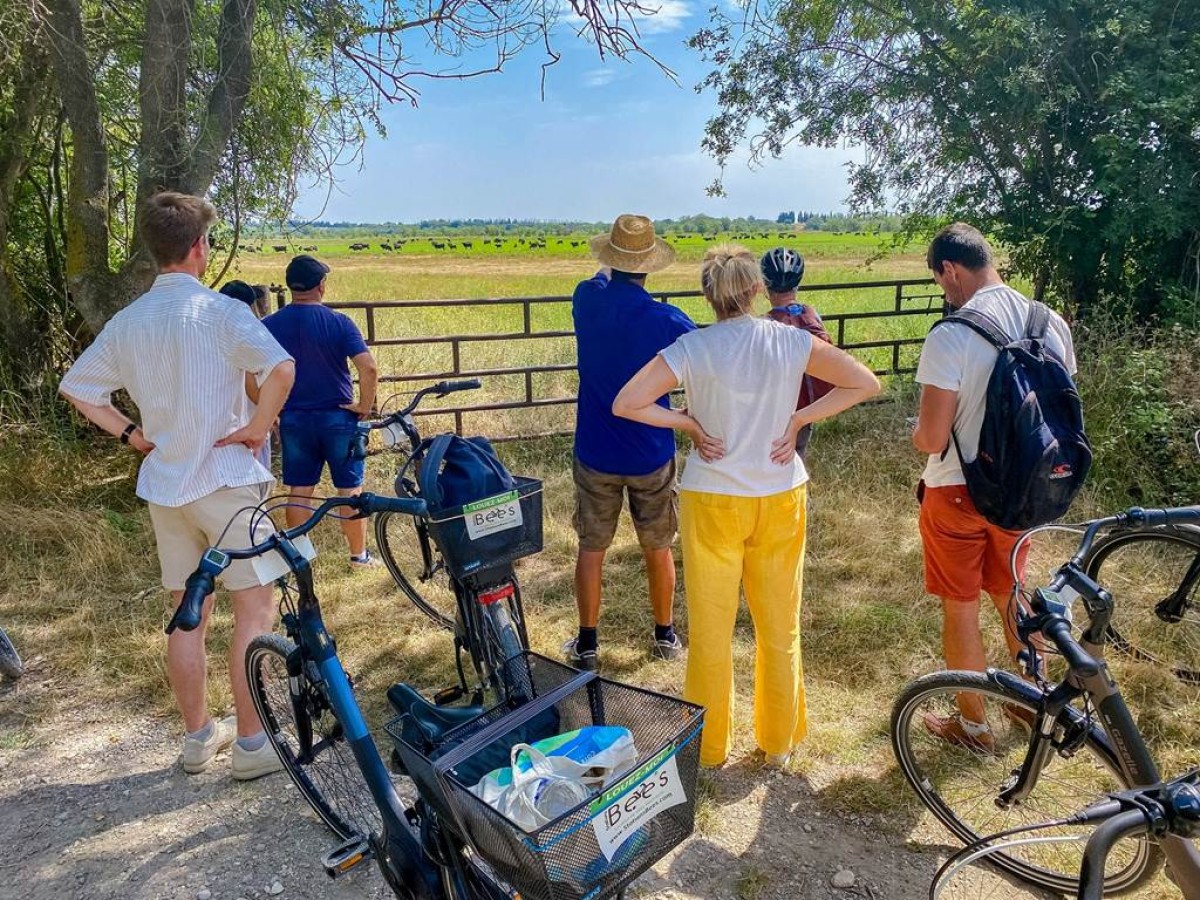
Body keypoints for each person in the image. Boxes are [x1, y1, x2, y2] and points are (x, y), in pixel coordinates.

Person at [613, 245, 880, 768]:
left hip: (712, 495)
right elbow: (864, 383)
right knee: (780, 624)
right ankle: (777, 741)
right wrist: (800, 420)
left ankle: (710, 748)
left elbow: (628, 403)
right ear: (757, 291)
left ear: (707, 295)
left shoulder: (692, 347)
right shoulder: (791, 340)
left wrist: (688, 423)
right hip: (780, 492)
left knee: (711, 628)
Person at [59, 191, 295, 780]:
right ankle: (251, 743)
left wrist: (130, 434)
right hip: (225, 479)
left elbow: (78, 387)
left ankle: (197, 738)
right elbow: (282, 368)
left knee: (186, 610)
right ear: (198, 248)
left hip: (167, 484)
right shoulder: (222, 313)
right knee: (254, 609)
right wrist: (258, 427)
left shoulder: (127, 322)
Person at [911, 223, 1076, 752]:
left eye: (941, 281)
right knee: (1013, 594)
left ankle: (974, 727)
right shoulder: (1049, 322)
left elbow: (931, 437)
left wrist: (915, 431)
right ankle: (1032, 705)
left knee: (960, 606)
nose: (945, 292)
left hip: (957, 492)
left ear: (951, 270)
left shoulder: (951, 334)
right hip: (1026, 493)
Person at [567, 214, 696, 670]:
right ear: (650, 266)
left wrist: (608, 265)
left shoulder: (586, 300)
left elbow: (596, 279)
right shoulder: (666, 319)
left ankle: (586, 643)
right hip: (651, 451)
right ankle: (665, 635)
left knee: (592, 546)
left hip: (595, 450)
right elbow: (704, 353)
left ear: (610, 260)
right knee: (658, 546)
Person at [262, 255, 380, 567]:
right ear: (321, 286)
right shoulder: (339, 322)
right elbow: (368, 368)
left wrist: (270, 412)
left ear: (290, 287)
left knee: (299, 488)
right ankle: (358, 555)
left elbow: (253, 372)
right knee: (350, 489)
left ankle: (299, 557)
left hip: (294, 417)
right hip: (338, 416)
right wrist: (364, 407)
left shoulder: (269, 326)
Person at [760, 248, 834, 463]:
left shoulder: (765, 324)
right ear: (797, 284)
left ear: (765, 285)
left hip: (777, 408)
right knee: (797, 456)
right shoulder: (811, 314)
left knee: (773, 460)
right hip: (808, 407)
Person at [220, 280, 274, 472]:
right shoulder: (254, 336)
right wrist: (271, 411)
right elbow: (251, 382)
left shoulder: (209, 334)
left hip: (220, 427)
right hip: (251, 425)